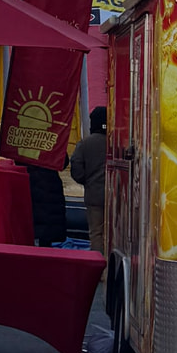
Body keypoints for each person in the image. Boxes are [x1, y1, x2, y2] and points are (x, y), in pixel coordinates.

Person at [70, 106, 109, 255]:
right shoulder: (116, 143)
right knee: (114, 233)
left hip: (94, 196)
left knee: (96, 233)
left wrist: (87, 181)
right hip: (117, 197)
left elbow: (76, 169)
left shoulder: (85, 144)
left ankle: (99, 263)